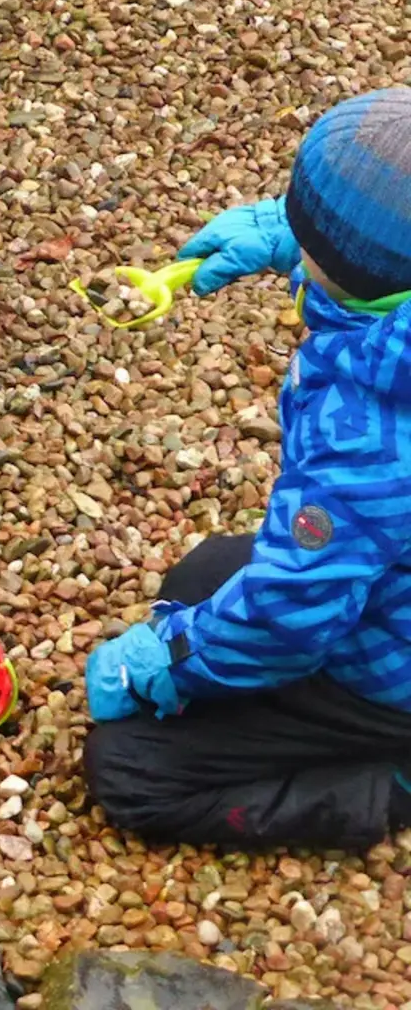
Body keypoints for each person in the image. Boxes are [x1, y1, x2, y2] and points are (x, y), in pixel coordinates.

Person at [83, 87, 411, 850]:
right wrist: (282, 231)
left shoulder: (366, 433)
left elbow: (291, 622)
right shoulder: (383, 317)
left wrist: (162, 664)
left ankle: (385, 783)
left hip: (396, 678)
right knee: (200, 578)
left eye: (306, 243)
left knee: (129, 767)